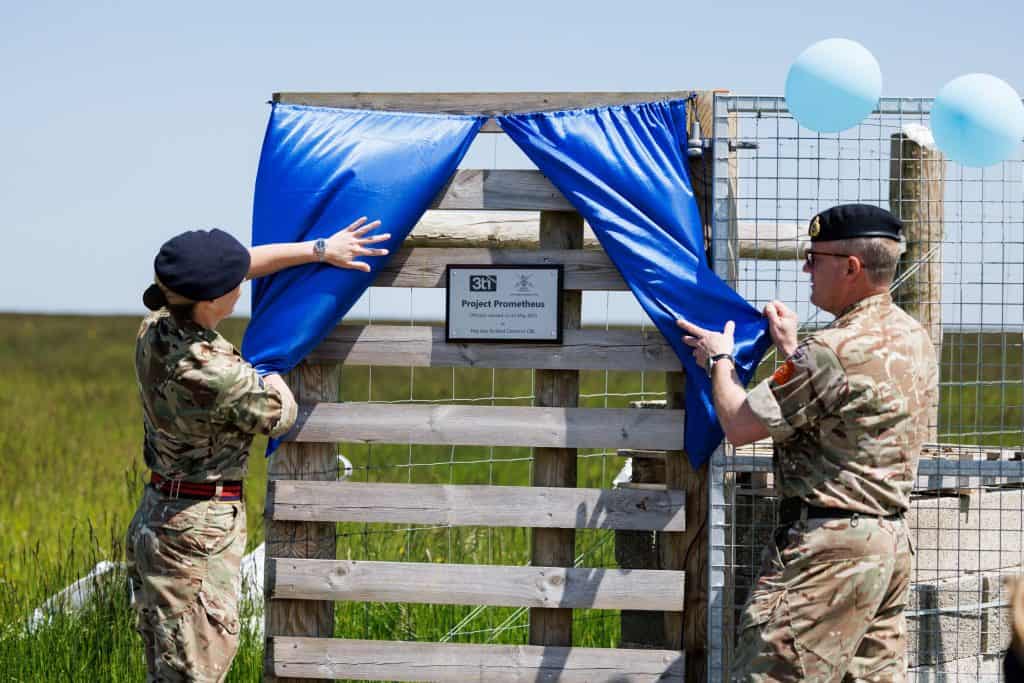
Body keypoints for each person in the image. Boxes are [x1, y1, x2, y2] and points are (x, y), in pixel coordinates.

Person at [678, 204, 938, 682]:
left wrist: (720, 361)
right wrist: (789, 351)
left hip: (828, 554)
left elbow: (738, 424)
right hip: (886, 546)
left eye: (813, 257)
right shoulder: (910, 336)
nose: (805, 269)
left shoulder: (829, 350)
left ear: (851, 267)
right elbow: (839, 405)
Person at [126, 217, 389, 682]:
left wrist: (321, 248)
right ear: (212, 299)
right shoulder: (214, 372)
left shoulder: (156, 328)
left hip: (159, 516)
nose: (243, 283)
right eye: (234, 283)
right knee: (195, 671)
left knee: (169, 667)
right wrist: (270, 364)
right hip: (197, 534)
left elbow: (243, 265)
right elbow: (278, 414)